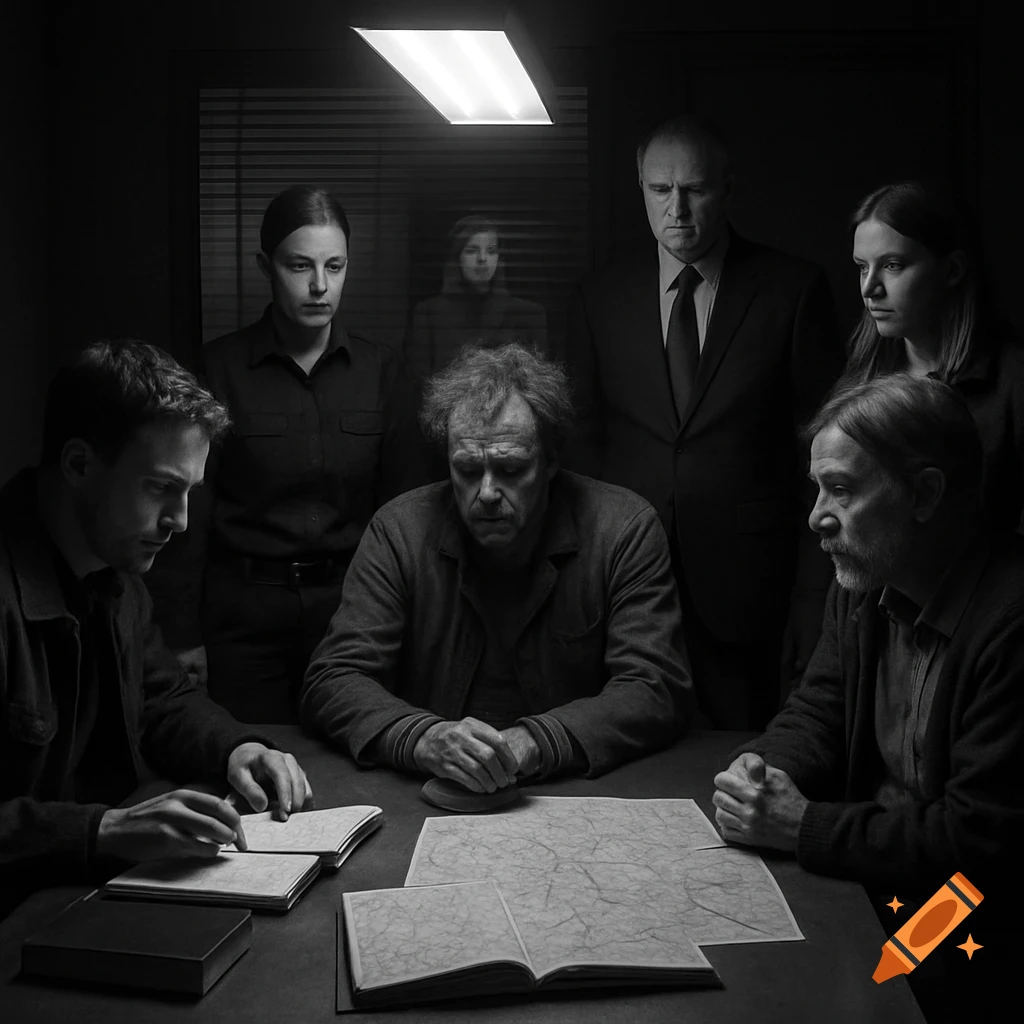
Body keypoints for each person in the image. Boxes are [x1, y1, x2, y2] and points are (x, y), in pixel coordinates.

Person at [711, 374, 1023, 1022]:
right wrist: (762, 771)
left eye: (842, 490)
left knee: (828, 995)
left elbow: (979, 841)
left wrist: (803, 826)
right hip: (878, 872)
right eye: (817, 488)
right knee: (734, 968)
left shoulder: (1011, 624)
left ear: (925, 494)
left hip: (968, 908)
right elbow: (819, 709)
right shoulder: (865, 580)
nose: (816, 517)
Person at [0, 340, 313, 921]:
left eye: (189, 491)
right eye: (161, 487)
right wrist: (104, 829)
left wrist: (236, 748)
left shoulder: (112, 567)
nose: (181, 521)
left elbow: (162, 696)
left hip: (79, 902)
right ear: (78, 464)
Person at [299, 343, 693, 792]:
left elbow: (655, 685)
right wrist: (422, 738)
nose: (486, 492)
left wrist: (534, 742)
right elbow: (334, 678)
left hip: (574, 791)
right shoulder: (399, 531)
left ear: (551, 461)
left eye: (510, 469)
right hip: (433, 791)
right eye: (468, 470)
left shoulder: (623, 529)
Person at [563, 112, 843, 730]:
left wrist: (813, 597)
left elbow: (823, 457)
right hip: (625, 580)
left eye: (695, 189)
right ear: (640, 189)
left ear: (728, 189)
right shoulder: (599, 296)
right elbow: (580, 448)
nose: (678, 209)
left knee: (738, 756)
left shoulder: (792, 290)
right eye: (661, 190)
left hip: (750, 590)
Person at [147, 184, 425, 724]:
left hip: (355, 616)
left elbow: (408, 513)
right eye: (300, 266)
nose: (320, 285)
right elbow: (186, 517)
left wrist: (412, 623)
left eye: (334, 266)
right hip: (242, 621)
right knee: (253, 760)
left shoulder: (384, 373)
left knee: (358, 756)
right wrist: (180, 635)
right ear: (265, 266)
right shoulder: (216, 370)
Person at [844, 179, 1024, 533]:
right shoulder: (862, 374)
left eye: (892, 265)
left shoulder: (1013, 384)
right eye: (862, 267)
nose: (869, 288)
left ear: (952, 270)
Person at [405, 215, 548, 382]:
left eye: (491, 251)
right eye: (472, 250)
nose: (482, 258)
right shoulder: (429, 313)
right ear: (457, 257)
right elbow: (420, 386)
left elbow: (538, 386)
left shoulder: (529, 315)